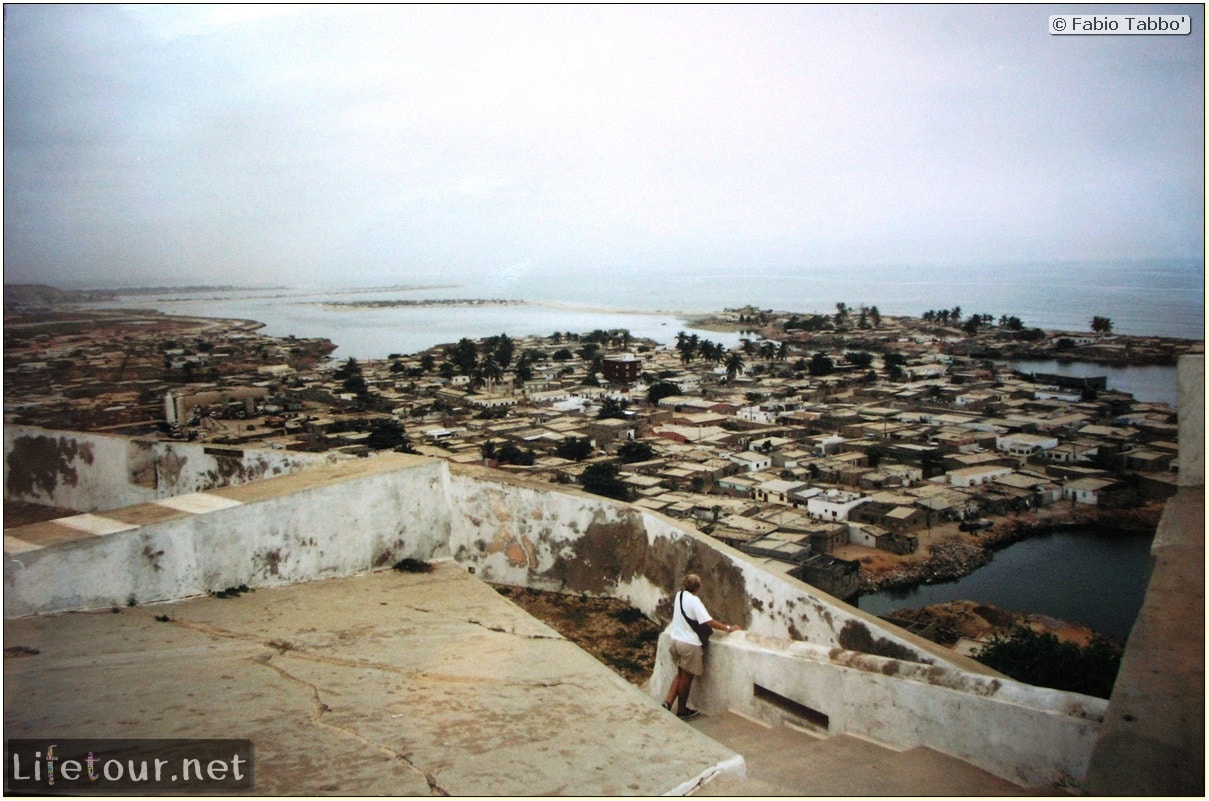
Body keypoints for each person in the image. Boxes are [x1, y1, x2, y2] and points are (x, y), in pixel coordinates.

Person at [661, 573, 741, 720]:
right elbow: (707, 621)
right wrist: (728, 628)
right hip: (689, 645)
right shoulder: (694, 601)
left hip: (675, 641)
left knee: (680, 673)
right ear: (698, 587)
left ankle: (667, 702)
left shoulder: (679, 595)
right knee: (687, 678)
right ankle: (682, 710)